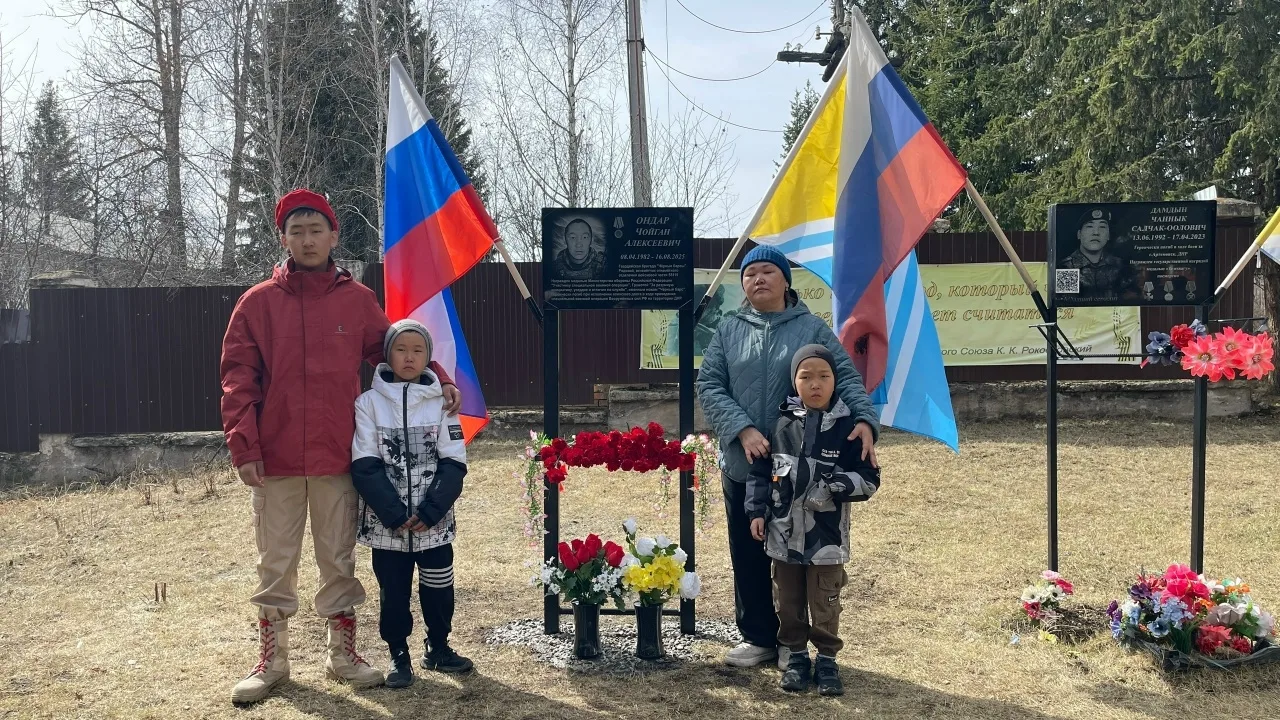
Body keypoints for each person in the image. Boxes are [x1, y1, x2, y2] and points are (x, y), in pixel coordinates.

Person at [220, 188, 462, 705]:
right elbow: (238, 379)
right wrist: (245, 447)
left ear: (334, 236)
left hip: (338, 456)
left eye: (316, 230)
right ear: (283, 238)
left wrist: (439, 376)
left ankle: (342, 653)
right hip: (276, 459)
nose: (307, 240)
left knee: (337, 557)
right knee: (275, 561)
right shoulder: (257, 303)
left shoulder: (357, 301)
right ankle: (273, 661)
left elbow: (396, 349)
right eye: (297, 231)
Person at [696, 244, 879, 670]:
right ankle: (758, 637)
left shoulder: (811, 329)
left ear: (786, 280)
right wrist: (741, 429)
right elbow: (709, 384)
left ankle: (792, 644)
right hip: (743, 464)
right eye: (750, 273)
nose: (758, 279)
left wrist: (866, 420)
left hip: (800, 468)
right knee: (748, 551)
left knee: (792, 558)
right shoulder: (728, 329)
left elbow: (845, 377)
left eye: (767, 271)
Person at [747, 344, 881, 696]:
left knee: (825, 601)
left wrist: (833, 486)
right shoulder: (780, 425)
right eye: (806, 377)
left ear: (835, 381)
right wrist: (756, 512)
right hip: (783, 537)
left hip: (826, 540)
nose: (815, 384)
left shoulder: (850, 429)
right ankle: (795, 658)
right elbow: (760, 474)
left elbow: (869, 479)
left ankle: (827, 661)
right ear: (795, 382)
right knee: (787, 601)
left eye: (824, 376)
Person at [351, 319, 472, 688]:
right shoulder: (368, 403)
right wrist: (391, 513)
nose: (409, 357)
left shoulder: (443, 403)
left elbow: (454, 461)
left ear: (428, 357)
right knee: (393, 592)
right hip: (387, 526)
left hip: (434, 523)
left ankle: (438, 647)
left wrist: (432, 510)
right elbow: (365, 463)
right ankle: (398, 653)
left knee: (439, 586)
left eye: (418, 350)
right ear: (387, 355)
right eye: (401, 349)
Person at [1060, 208, 1132, 298]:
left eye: (1102, 227)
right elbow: (1066, 303)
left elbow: (1128, 299)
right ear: (1079, 234)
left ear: (1108, 235)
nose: (1096, 233)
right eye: (1090, 227)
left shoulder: (1119, 265)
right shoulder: (1067, 267)